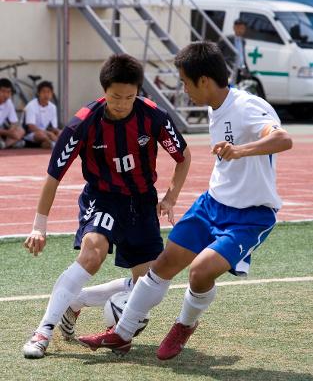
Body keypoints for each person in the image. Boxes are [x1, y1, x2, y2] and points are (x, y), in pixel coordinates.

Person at [77, 41, 293, 360]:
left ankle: (184, 324)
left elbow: (282, 139)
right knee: (163, 264)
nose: (183, 88)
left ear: (203, 80)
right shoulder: (214, 106)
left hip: (250, 215)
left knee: (200, 272)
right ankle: (121, 335)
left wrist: (240, 150)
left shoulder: (246, 106)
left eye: (184, 81)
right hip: (212, 204)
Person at [22, 53, 191, 359]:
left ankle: (78, 301)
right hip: (103, 198)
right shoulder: (83, 123)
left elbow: (183, 157)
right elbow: (53, 177)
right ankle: (42, 331)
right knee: (93, 253)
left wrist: (171, 197)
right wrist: (39, 226)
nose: (123, 103)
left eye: (130, 96)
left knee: (150, 284)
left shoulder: (152, 116)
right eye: (116, 96)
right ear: (104, 91)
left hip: (141, 202)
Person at [23, 81, 61, 149]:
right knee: (41, 135)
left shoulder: (53, 107)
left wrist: (57, 132)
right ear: (38, 93)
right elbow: (31, 127)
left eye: (48, 92)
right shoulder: (31, 105)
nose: (46, 94)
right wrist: (49, 133)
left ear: (52, 94)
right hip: (31, 134)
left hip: (46, 133)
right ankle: (54, 144)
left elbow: (53, 127)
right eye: (43, 92)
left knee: (62, 132)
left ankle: (48, 144)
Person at [218, 18, 250, 84]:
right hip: (230, 69)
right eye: (238, 28)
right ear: (234, 28)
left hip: (240, 70)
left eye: (242, 28)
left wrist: (246, 69)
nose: (240, 30)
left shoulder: (243, 41)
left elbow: (242, 56)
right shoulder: (227, 39)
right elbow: (217, 50)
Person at [0, 78, 25, 149]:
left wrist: (12, 130)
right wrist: (9, 133)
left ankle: (4, 145)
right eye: (3, 91)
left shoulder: (9, 103)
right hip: (3, 131)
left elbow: (14, 122)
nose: (6, 95)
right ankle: (13, 143)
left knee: (21, 130)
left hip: (3, 131)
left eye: (8, 92)